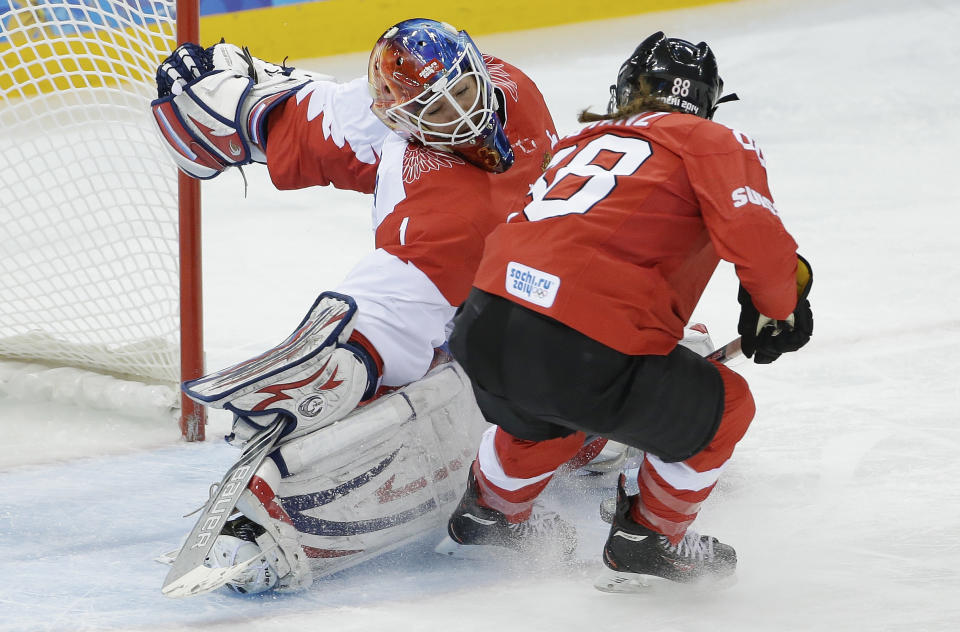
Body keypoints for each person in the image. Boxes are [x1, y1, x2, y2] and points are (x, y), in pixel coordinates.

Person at [150, 18, 559, 595]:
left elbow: (351, 117)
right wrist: (255, 111)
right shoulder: (438, 195)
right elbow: (351, 125)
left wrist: (343, 365)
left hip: (528, 292)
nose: (464, 116)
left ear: (477, 68)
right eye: (437, 110)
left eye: (465, 92)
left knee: (481, 348)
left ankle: (575, 419)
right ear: (403, 120)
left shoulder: (505, 89)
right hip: (496, 276)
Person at [436, 31, 814, 590]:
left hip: (483, 328)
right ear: (706, 102)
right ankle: (651, 537)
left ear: (626, 90)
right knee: (727, 406)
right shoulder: (713, 139)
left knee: (550, 401)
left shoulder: (577, 144)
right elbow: (756, 239)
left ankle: (490, 512)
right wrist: (778, 308)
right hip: (582, 351)